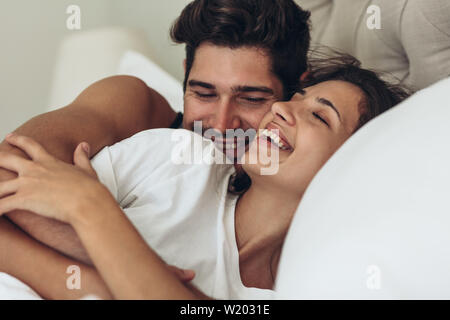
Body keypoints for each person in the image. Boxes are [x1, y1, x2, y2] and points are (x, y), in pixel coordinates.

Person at [0, 57, 410, 299]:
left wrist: (90, 209)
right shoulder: (180, 157)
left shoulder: (300, 288)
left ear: (355, 167)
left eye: (320, 115)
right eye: (296, 99)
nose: (284, 110)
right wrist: (124, 279)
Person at [0, 0, 311, 267]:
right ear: (186, 70)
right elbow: (6, 169)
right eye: (203, 93)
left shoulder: (308, 180)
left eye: (251, 99)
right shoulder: (136, 106)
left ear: (297, 92)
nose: (221, 124)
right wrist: (129, 269)